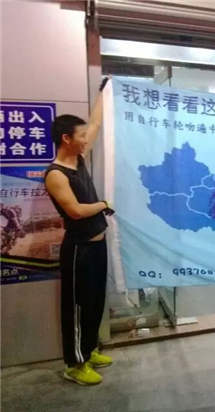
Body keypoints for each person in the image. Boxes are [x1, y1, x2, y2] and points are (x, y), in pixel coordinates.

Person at [45, 77, 115, 386]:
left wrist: (103, 92)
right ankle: (74, 364)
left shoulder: (80, 160)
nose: (86, 139)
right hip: (79, 249)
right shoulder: (56, 174)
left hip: (97, 245)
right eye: (81, 136)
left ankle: (89, 349)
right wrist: (103, 204)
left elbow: (95, 124)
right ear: (66, 138)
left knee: (96, 301)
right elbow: (74, 210)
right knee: (77, 306)